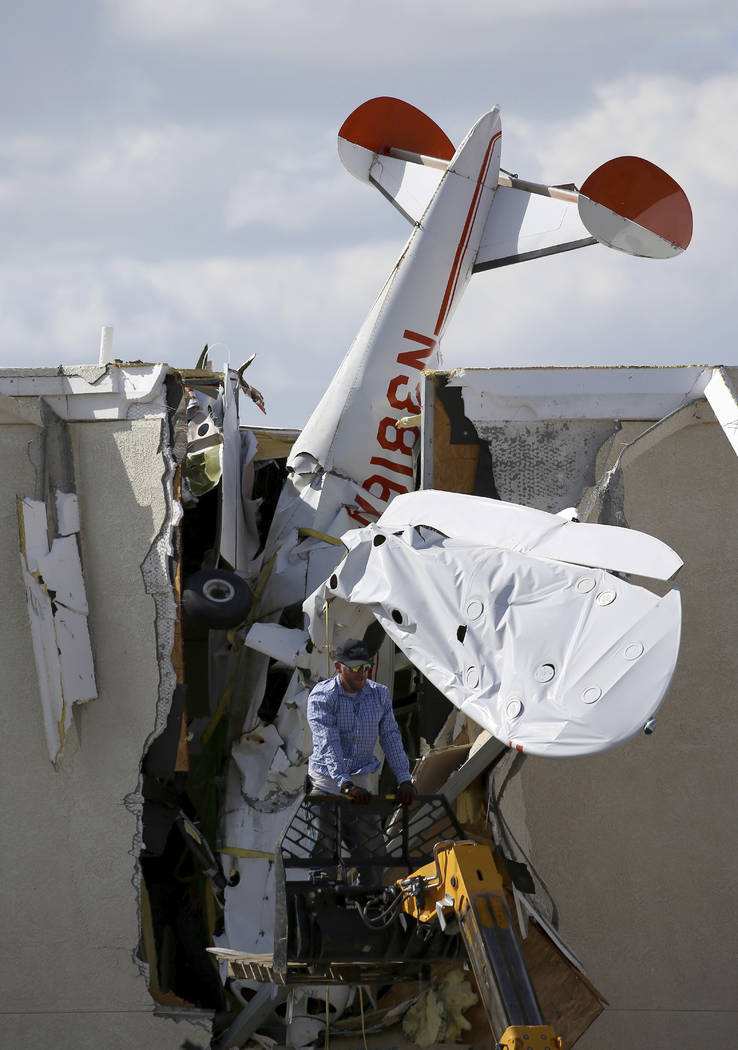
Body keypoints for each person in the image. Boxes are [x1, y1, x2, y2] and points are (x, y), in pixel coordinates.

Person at [306, 638, 415, 883]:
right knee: (324, 851)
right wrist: (344, 784)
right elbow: (328, 743)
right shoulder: (322, 697)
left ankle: (372, 902)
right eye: (354, 668)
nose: (361, 673)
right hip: (327, 786)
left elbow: (390, 736)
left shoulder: (379, 695)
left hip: (360, 787)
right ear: (338, 667)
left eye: (364, 667)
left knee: (374, 856)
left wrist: (404, 779)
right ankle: (323, 899)